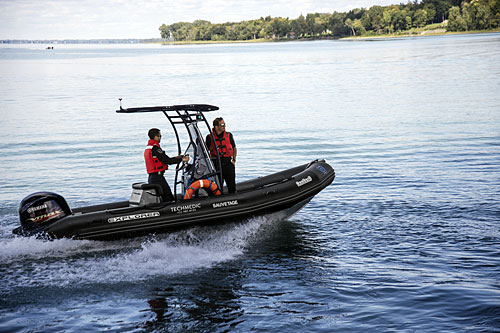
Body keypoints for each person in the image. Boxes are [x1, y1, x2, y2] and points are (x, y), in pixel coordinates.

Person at [144, 128, 189, 202]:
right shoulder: (156, 149)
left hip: (152, 177)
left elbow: (164, 159)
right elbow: (168, 161)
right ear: (155, 137)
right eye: (159, 136)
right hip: (158, 178)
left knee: (163, 197)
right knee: (168, 197)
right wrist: (181, 159)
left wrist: (177, 157)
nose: (160, 138)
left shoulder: (149, 148)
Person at [205, 117, 237, 194]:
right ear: (216, 126)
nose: (224, 126)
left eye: (224, 124)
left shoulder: (229, 135)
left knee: (231, 186)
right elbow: (205, 151)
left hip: (228, 163)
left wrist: (233, 160)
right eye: (222, 125)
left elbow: (234, 148)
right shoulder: (209, 137)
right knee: (217, 187)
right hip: (216, 165)